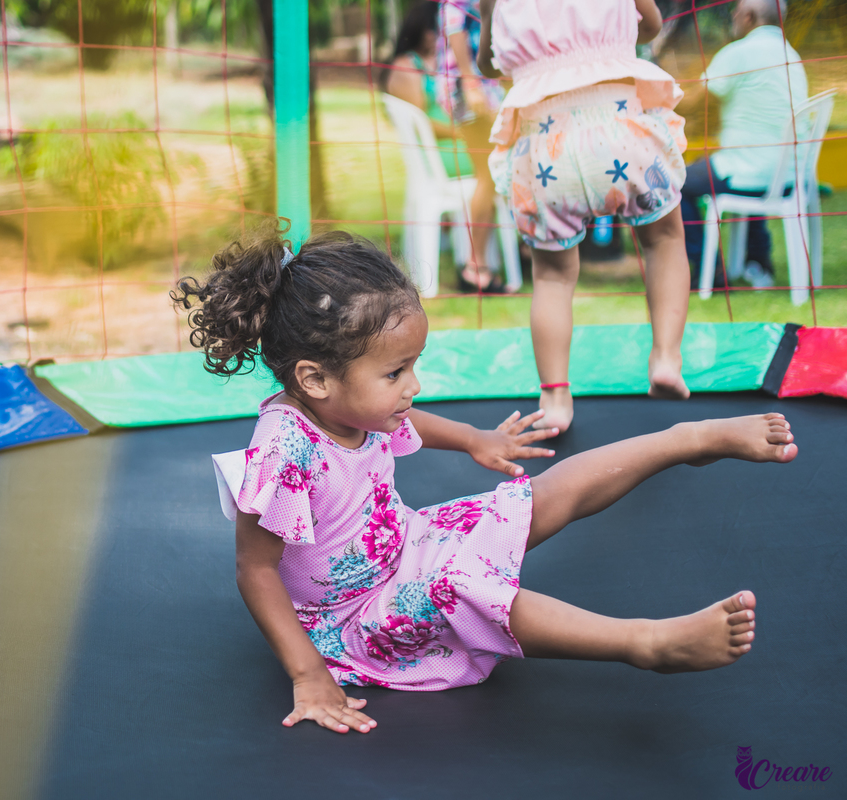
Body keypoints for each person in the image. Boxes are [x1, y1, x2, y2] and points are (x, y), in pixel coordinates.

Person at [173, 229, 796, 734]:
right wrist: (308, 672)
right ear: (314, 379)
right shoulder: (284, 452)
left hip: (408, 544)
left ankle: (683, 440)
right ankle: (647, 642)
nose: (412, 386)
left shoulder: (344, 402)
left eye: (413, 365)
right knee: (460, 586)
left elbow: (401, 416)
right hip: (351, 619)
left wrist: (475, 439)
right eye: (396, 373)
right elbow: (255, 570)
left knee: (527, 500)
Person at [477, 0, 692, 432]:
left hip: (546, 151)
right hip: (620, 131)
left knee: (553, 277)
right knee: (664, 240)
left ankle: (555, 396)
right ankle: (666, 356)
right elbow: (648, 28)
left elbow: (489, 63)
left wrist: (489, 15)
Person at [676, 0, 808, 289]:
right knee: (735, 165)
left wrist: (656, 91)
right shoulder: (791, 55)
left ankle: (706, 270)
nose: (733, 16)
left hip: (750, 171)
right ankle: (758, 261)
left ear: (748, 17)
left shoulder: (740, 53)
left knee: (675, 182)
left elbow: (697, 100)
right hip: (787, 175)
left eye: (735, 11)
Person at [386, 1, 505, 292]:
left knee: (499, 169)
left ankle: (513, 255)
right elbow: (422, 123)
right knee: (491, 173)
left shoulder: (432, 64)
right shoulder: (408, 65)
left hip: (476, 97)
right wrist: (471, 81)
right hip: (462, 117)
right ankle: (476, 267)